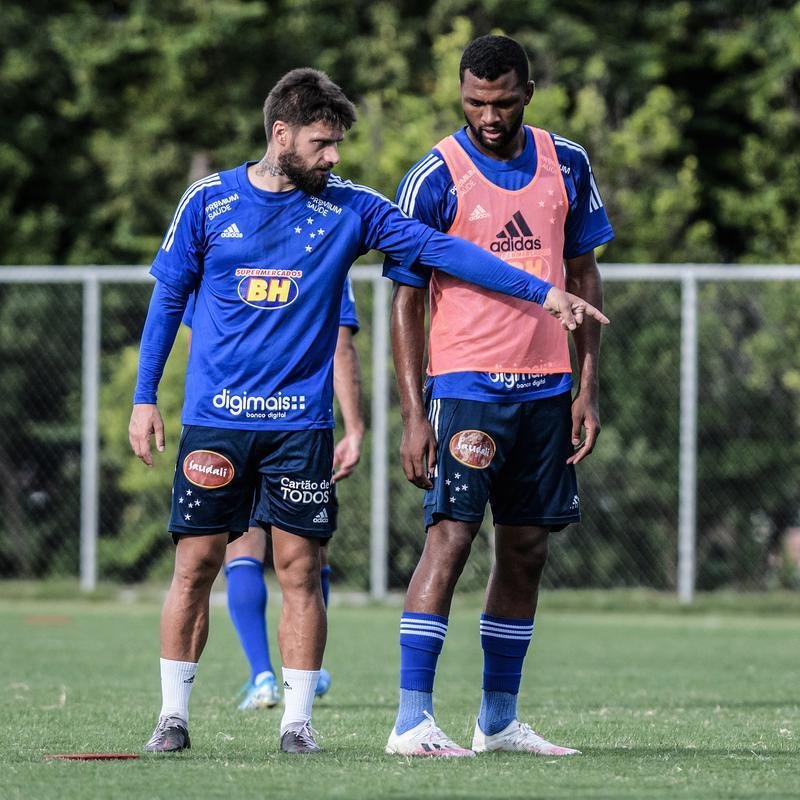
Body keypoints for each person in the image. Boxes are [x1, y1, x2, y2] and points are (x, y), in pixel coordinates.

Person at [129, 67, 606, 756]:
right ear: (281, 134)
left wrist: (543, 293)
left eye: (338, 145)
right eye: (322, 144)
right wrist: (146, 397)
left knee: (299, 568)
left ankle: (297, 724)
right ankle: (172, 718)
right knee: (196, 563)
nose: (334, 157)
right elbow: (167, 300)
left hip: (300, 425)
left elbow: (444, 251)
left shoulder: (350, 208)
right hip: (217, 419)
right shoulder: (207, 202)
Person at [383, 35, 614, 758]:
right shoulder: (434, 175)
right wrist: (414, 412)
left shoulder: (566, 162)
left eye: (504, 101)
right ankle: (411, 721)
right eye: (476, 102)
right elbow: (404, 301)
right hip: (466, 389)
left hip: (547, 390)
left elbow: (584, 277)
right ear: (461, 94)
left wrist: (586, 387)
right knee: (449, 539)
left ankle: (498, 722)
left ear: (529, 92)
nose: (489, 114)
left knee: (526, 548)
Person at [182, 281, 364, 710]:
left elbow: (197, 343)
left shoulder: (219, 237)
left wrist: (204, 418)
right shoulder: (325, 236)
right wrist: (354, 426)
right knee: (306, 554)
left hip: (228, 418)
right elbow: (340, 345)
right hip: (297, 425)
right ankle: (301, 671)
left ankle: (263, 675)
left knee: (241, 543)